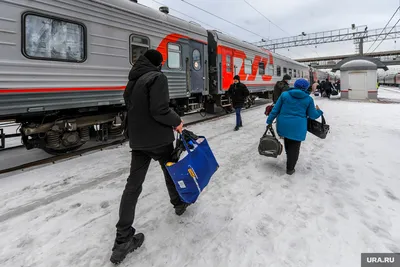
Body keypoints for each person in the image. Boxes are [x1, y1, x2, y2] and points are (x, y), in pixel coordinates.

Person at [111, 49, 186, 264]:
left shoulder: (133, 81)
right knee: (170, 170)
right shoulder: (157, 77)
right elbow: (160, 110)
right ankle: (178, 203)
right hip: (159, 139)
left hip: (138, 141)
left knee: (133, 185)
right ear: (158, 64)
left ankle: (122, 239)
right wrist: (177, 122)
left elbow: (132, 108)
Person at [266, 78, 323, 175]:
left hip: (283, 124)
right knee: (295, 147)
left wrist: (269, 121)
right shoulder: (308, 99)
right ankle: (290, 168)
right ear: (305, 88)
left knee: (287, 141)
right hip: (298, 127)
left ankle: (289, 159)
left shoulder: (285, 95)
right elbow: (313, 115)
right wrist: (319, 111)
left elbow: (275, 109)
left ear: (295, 85)